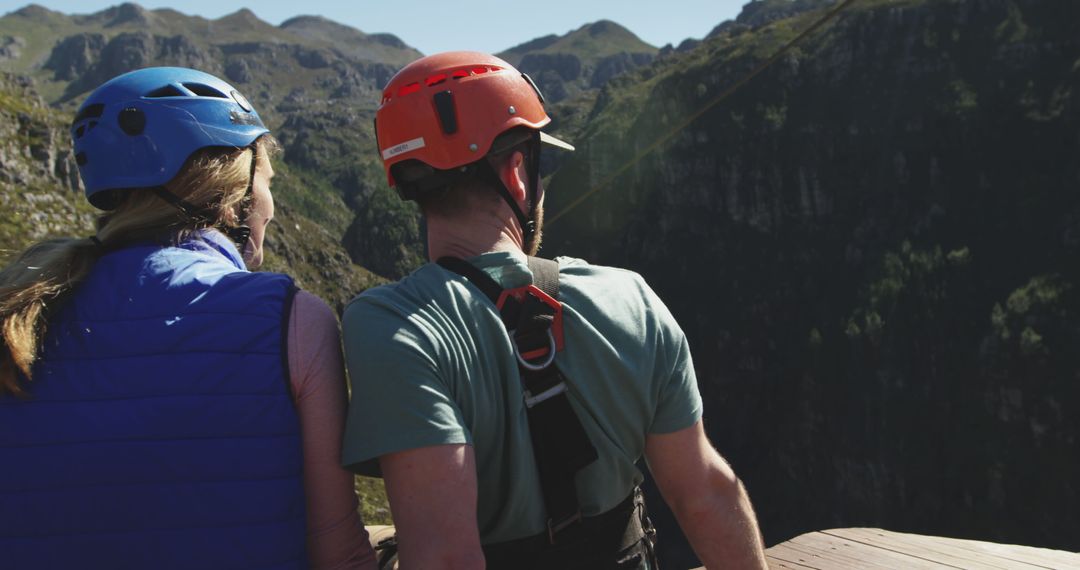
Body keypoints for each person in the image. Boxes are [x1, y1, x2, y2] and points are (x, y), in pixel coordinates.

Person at [341, 52, 768, 569]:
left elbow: (446, 557)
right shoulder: (630, 298)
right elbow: (705, 492)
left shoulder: (391, 326)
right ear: (518, 173)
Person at [0, 67, 377, 570]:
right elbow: (342, 555)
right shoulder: (292, 321)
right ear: (233, 191)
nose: (271, 207)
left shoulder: (22, 312)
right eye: (266, 184)